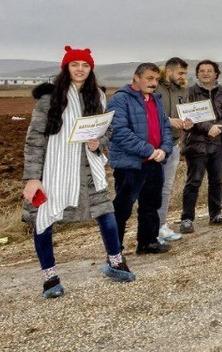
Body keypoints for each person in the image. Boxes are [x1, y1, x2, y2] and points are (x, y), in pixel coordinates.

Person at [22, 46, 135, 299]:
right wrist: (32, 178)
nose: (80, 69)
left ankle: (116, 263)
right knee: (44, 219)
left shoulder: (98, 96)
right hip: (55, 169)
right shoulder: (49, 98)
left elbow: (106, 130)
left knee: (105, 212)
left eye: (85, 65)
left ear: (91, 69)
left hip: (88, 167)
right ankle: (50, 279)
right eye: (75, 65)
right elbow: (35, 140)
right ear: (66, 68)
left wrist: (99, 142)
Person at [108, 63, 173, 255]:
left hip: (154, 162)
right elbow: (119, 132)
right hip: (130, 164)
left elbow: (165, 128)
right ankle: (115, 250)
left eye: (156, 80)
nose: (153, 83)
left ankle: (147, 242)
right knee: (122, 207)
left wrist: (164, 149)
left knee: (151, 204)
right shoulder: (120, 99)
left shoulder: (156, 100)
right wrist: (149, 151)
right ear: (136, 77)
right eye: (149, 78)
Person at [180, 60, 222, 233]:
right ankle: (186, 218)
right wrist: (209, 128)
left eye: (209, 70)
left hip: (220, 143)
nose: (205, 73)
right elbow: (187, 115)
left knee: (217, 180)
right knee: (194, 181)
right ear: (197, 74)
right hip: (197, 143)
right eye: (202, 71)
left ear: (216, 74)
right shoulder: (189, 92)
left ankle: (215, 215)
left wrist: (219, 127)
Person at [154, 56, 191, 243]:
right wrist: (169, 121)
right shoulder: (154, 87)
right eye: (181, 72)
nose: (183, 76)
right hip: (154, 146)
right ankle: (150, 228)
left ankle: (161, 225)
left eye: (185, 73)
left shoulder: (183, 90)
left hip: (174, 143)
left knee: (166, 188)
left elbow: (184, 112)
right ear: (169, 71)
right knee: (152, 187)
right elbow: (149, 113)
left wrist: (188, 121)